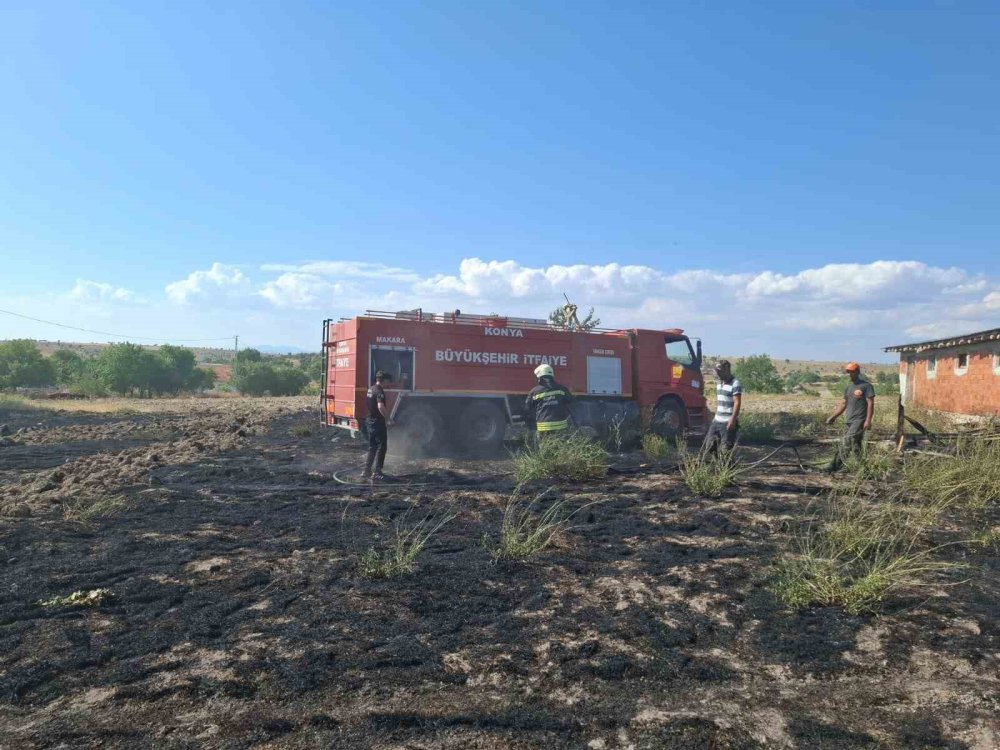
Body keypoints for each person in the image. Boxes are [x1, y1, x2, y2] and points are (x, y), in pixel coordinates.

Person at [826, 362, 875, 470]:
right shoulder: (848, 388)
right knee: (856, 446)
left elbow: (870, 403)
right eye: (848, 372)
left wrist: (868, 421)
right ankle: (865, 469)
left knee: (847, 442)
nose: (850, 374)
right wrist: (833, 416)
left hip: (859, 420)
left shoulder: (866, 386)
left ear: (857, 372)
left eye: (852, 372)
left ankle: (834, 467)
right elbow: (843, 404)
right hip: (849, 420)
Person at [703, 359, 742, 456]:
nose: (717, 372)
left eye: (719, 370)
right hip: (717, 420)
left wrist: (733, 419)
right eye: (716, 370)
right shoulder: (719, 384)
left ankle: (728, 467)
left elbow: (737, 402)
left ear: (727, 369)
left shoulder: (735, 383)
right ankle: (719, 465)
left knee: (726, 450)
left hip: (727, 421)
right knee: (709, 446)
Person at [524, 364, 572, 439]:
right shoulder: (562, 389)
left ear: (540, 377)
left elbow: (528, 409)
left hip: (543, 429)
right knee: (560, 448)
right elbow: (571, 403)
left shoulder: (534, 392)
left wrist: (531, 426)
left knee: (544, 447)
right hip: (560, 428)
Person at [361, 370, 393, 480]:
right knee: (382, 446)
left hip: (369, 421)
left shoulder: (371, 388)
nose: (389, 384)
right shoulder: (379, 391)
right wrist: (388, 419)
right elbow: (380, 406)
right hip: (377, 422)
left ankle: (366, 471)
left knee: (372, 446)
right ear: (384, 380)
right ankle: (378, 472)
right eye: (388, 381)